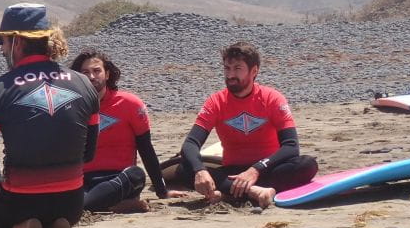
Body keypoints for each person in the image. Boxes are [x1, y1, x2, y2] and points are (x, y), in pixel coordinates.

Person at [0, 3, 100, 228]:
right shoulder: (84, 83)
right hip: (71, 201)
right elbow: (89, 153)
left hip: (22, 198)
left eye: (2, 41)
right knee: (54, 207)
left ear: (16, 42)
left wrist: (1, 193)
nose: (1, 48)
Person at [179, 41, 318, 208]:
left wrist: (255, 170)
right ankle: (255, 192)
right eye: (227, 69)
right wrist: (200, 171)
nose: (230, 75)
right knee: (184, 170)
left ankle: (229, 193)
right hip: (233, 171)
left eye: (237, 69)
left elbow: (291, 146)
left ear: (254, 71)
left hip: (267, 169)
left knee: (307, 165)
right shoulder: (216, 101)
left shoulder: (272, 98)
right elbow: (190, 143)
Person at [70, 48, 186, 212]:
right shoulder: (72, 107)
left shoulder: (130, 104)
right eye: (85, 72)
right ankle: (113, 206)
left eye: (97, 71)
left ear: (107, 74)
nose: (91, 77)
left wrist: (162, 191)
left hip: (121, 178)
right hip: (84, 180)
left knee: (137, 174)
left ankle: (92, 205)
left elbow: (146, 149)